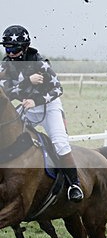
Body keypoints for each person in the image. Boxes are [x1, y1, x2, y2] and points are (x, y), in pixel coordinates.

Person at [0, 25, 83, 201]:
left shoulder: (40, 63)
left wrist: (36, 101)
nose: (10, 52)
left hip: (49, 107)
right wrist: (26, 82)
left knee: (60, 144)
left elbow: (58, 89)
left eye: (13, 49)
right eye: (7, 48)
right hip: (26, 107)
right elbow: (5, 91)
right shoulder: (6, 64)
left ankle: (74, 185)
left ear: (24, 48)